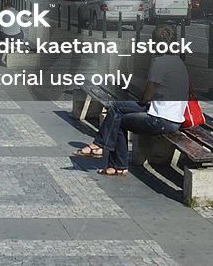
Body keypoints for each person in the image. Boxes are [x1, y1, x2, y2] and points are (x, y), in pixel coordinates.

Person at [73, 23, 189, 176]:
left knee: (118, 118)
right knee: (117, 110)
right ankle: (109, 158)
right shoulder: (178, 61)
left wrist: (139, 103)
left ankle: (109, 156)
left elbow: (146, 97)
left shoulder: (159, 62)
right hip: (173, 117)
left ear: (155, 43)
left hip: (161, 120)